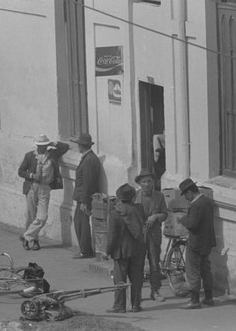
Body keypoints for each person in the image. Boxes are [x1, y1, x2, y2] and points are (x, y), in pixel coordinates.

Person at [18, 134, 69, 251]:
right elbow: (21, 171)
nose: (42, 148)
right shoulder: (30, 156)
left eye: (44, 145)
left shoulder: (52, 154)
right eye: (40, 146)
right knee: (31, 215)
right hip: (32, 187)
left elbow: (65, 147)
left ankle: (26, 236)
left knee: (42, 216)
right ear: (36, 145)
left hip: (45, 187)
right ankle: (34, 241)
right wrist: (31, 175)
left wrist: (54, 143)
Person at [102, 183, 146, 313]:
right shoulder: (139, 210)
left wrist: (107, 252)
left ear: (119, 198)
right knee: (137, 278)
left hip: (121, 251)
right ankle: (136, 305)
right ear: (133, 197)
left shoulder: (115, 214)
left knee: (120, 279)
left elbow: (112, 237)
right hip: (138, 249)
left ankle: (119, 306)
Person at [177, 178, 216, 309]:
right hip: (208, 241)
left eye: (185, 195)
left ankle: (194, 300)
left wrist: (182, 219)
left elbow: (192, 224)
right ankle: (209, 297)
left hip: (196, 242)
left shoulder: (195, 205)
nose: (186, 198)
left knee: (193, 271)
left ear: (189, 192)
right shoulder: (208, 201)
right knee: (206, 270)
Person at [134, 169, 168, 302]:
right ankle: (137, 292)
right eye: (144, 182)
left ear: (153, 182)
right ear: (139, 183)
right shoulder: (135, 196)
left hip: (154, 235)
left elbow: (165, 214)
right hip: (138, 236)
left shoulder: (159, 196)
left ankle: (155, 291)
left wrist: (156, 216)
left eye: (149, 181)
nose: (147, 184)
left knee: (154, 264)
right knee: (138, 264)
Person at [70, 133, 100, 259]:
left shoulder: (89, 160)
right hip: (82, 197)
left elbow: (88, 182)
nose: (78, 147)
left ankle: (85, 250)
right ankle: (85, 249)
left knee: (82, 223)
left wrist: (84, 201)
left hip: (83, 198)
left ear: (82, 146)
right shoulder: (89, 158)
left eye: (79, 145)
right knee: (80, 222)